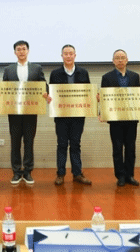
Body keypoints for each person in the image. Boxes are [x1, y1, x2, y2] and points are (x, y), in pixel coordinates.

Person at [2, 40, 49, 185]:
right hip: (14, 112)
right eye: (18, 49)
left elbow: (43, 84)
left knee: (29, 141)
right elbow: (4, 88)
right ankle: (16, 172)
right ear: (15, 52)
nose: (21, 51)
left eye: (24, 49)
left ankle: (28, 171)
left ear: (28, 51)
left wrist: (46, 92)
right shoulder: (8, 69)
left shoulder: (36, 68)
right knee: (15, 142)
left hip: (31, 111)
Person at [49, 44, 92, 186]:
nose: (68, 56)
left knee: (75, 144)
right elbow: (52, 93)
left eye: (71, 53)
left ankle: (77, 174)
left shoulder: (83, 72)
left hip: (78, 115)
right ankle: (60, 174)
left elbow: (87, 92)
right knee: (62, 145)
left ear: (75, 55)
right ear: (61, 56)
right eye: (65, 54)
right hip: (61, 115)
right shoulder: (55, 73)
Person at [100, 49, 140, 187]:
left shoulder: (135, 76)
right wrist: (102, 113)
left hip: (131, 118)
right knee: (117, 148)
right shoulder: (107, 77)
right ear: (113, 61)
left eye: (123, 57)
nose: (120, 60)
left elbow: (139, 97)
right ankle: (120, 176)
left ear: (127, 60)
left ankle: (130, 175)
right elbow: (104, 98)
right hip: (115, 119)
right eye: (117, 58)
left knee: (131, 147)